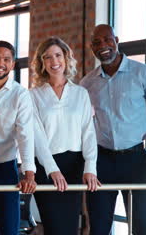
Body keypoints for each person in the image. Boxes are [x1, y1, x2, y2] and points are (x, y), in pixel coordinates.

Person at [80, 24, 146, 235]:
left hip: (135, 161)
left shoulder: (143, 73)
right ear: (91, 48)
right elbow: (80, 125)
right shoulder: (87, 83)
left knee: (141, 228)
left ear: (117, 40)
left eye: (107, 39)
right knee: (98, 228)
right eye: (97, 43)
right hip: (100, 162)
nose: (103, 45)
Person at [0, 40, 61, 235]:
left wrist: (29, 173)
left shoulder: (20, 95)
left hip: (5, 170)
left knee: (9, 230)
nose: (1, 63)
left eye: (6, 59)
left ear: (13, 64)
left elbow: (25, 135)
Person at [30, 36, 100, 235]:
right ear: (42, 63)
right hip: (46, 166)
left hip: (74, 166)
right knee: (53, 227)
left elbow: (88, 132)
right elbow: (37, 138)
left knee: (70, 227)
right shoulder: (33, 96)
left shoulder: (80, 94)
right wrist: (52, 169)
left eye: (58, 55)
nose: (54, 62)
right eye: (48, 57)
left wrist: (90, 167)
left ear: (66, 58)